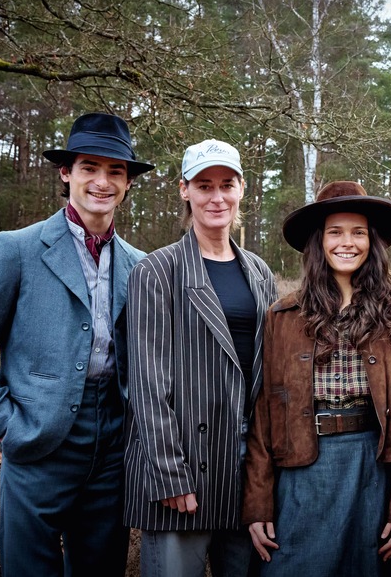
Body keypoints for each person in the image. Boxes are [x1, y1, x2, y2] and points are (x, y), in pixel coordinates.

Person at [0, 112, 155, 575]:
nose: (102, 182)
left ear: (127, 184)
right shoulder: (16, 249)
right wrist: (3, 424)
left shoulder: (141, 265)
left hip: (112, 451)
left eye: (115, 171)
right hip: (37, 441)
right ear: (66, 173)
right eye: (89, 168)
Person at [244, 181, 391, 576]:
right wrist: (257, 503)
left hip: (373, 468)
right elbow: (263, 415)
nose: (348, 242)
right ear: (319, 242)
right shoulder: (282, 317)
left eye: (358, 232)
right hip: (303, 468)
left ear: (372, 242)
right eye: (335, 232)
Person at [123, 138, 278, 576]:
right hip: (182, 471)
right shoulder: (157, 270)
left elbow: (266, 378)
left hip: (242, 472)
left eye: (226, 184)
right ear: (184, 190)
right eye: (204, 185)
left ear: (242, 189)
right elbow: (147, 383)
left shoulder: (260, 272)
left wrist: (266, 476)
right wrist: (169, 473)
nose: (217, 196)